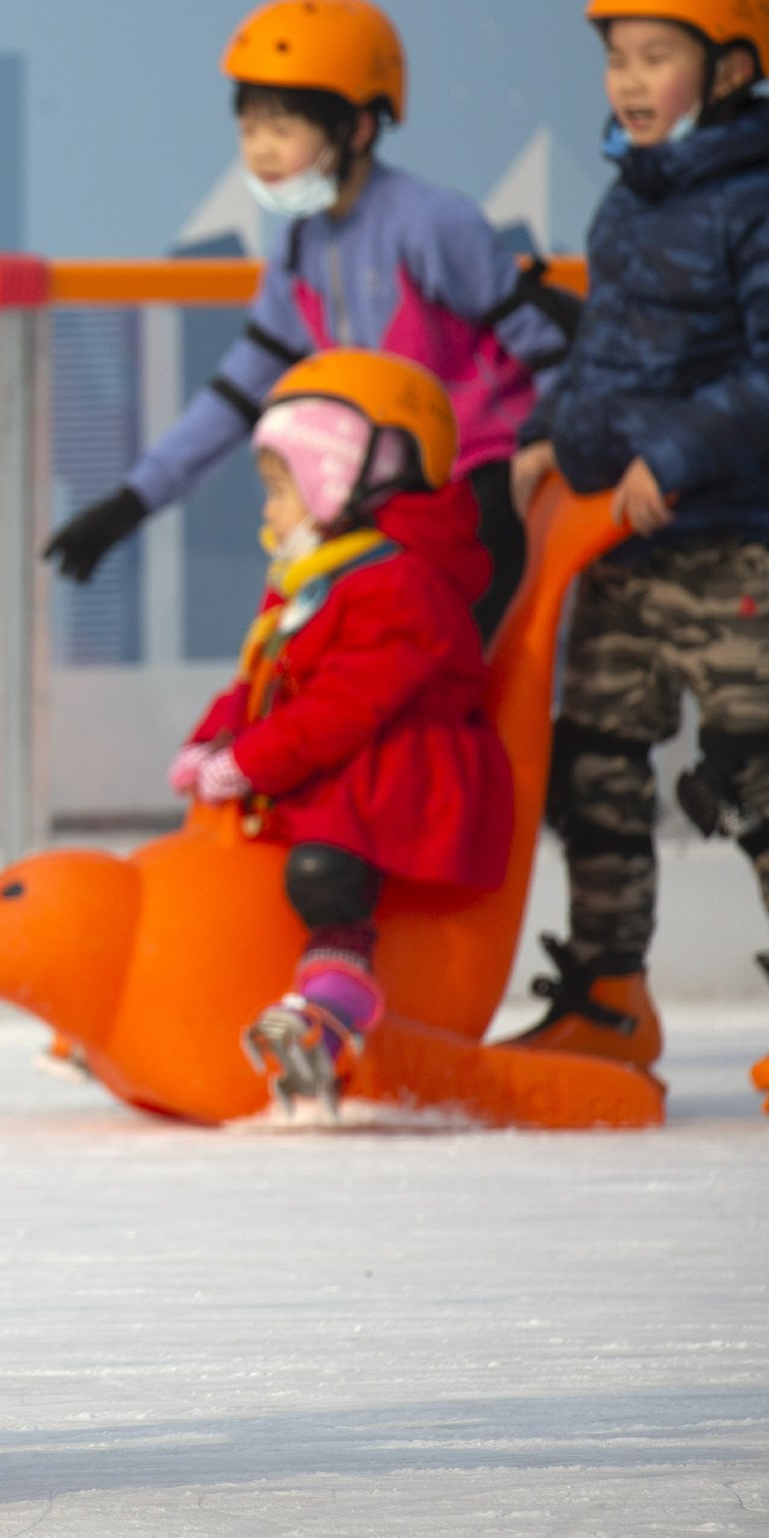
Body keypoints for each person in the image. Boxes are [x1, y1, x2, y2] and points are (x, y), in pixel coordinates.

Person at [506, 0, 769, 1122]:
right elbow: (612, 358)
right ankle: (609, 991)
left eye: (658, 56)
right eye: (619, 59)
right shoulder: (630, 202)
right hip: (624, 546)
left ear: (730, 68)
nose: (630, 80)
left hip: (737, 541)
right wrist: (548, 434)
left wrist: (671, 457)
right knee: (597, 758)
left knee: (749, 767)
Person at [46, 0, 576, 638]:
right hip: (381, 505)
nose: (261, 149)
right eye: (249, 127)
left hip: (475, 498)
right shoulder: (301, 243)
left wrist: (547, 450)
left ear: (357, 129)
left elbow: (550, 351)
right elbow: (239, 392)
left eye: (283, 127)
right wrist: (131, 502)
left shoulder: (432, 222)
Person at [172, 352, 512, 1114]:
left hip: (397, 783)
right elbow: (260, 674)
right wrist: (212, 742)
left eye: (279, 490)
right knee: (238, 859)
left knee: (320, 872)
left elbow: (344, 704)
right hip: (341, 768)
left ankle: (332, 1010)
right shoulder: (318, 570)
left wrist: (252, 761)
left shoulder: (404, 585)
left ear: (343, 476)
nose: (268, 511)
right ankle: (192, 1000)